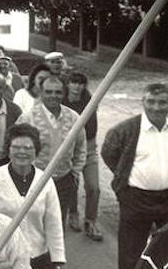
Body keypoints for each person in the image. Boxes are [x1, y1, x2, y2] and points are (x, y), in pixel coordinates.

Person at [102, 83, 168, 269]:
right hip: (136, 199)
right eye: (151, 101)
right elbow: (109, 155)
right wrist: (125, 179)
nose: (156, 107)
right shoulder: (124, 130)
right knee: (131, 252)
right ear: (142, 102)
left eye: (162, 102)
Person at [0, 123, 65, 269]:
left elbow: (53, 223)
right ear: (8, 150)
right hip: (5, 259)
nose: (22, 152)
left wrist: (58, 260)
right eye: (16, 147)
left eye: (28, 148)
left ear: (36, 151)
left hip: (38, 257)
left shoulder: (45, 181)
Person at [17, 76, 85, 229]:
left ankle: (53, 254)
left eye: (58, 92)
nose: (53, 96)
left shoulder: (74, 118)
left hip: (63, 182)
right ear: (41, 92)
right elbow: (14, 149)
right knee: (32, 225)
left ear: (64, 93)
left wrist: (74, 173)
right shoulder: (27, 118)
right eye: (48, 92)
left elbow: (81, 148)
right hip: (33, 182)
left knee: (57, 225)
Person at [64, 71, 102, 241]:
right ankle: (73, 213)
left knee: (94, 187)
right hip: (70, 150)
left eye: (80, 83)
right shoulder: (62, 102)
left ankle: (90, 221)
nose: (77, 86)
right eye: (73, 82)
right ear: (68, 84)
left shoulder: (90, 100)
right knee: (73, 183)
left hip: (90, 148)